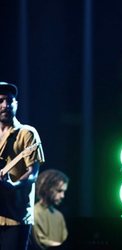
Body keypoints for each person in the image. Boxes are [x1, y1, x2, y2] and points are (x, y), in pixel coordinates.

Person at [0, 81, 45, 250]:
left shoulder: (27, 133)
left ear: (16, 104)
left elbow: (33, 175)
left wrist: (14, 185)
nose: (5, 105)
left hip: (15, 218)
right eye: (0, 101)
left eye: (9, 101)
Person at [30, 169, 69, 249]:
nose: (62, 196)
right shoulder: (33, 213)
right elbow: (40, 242)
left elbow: (64, 240)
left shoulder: (59, 216)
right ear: (46, 188)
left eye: (64, 192)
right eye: (59, 191)